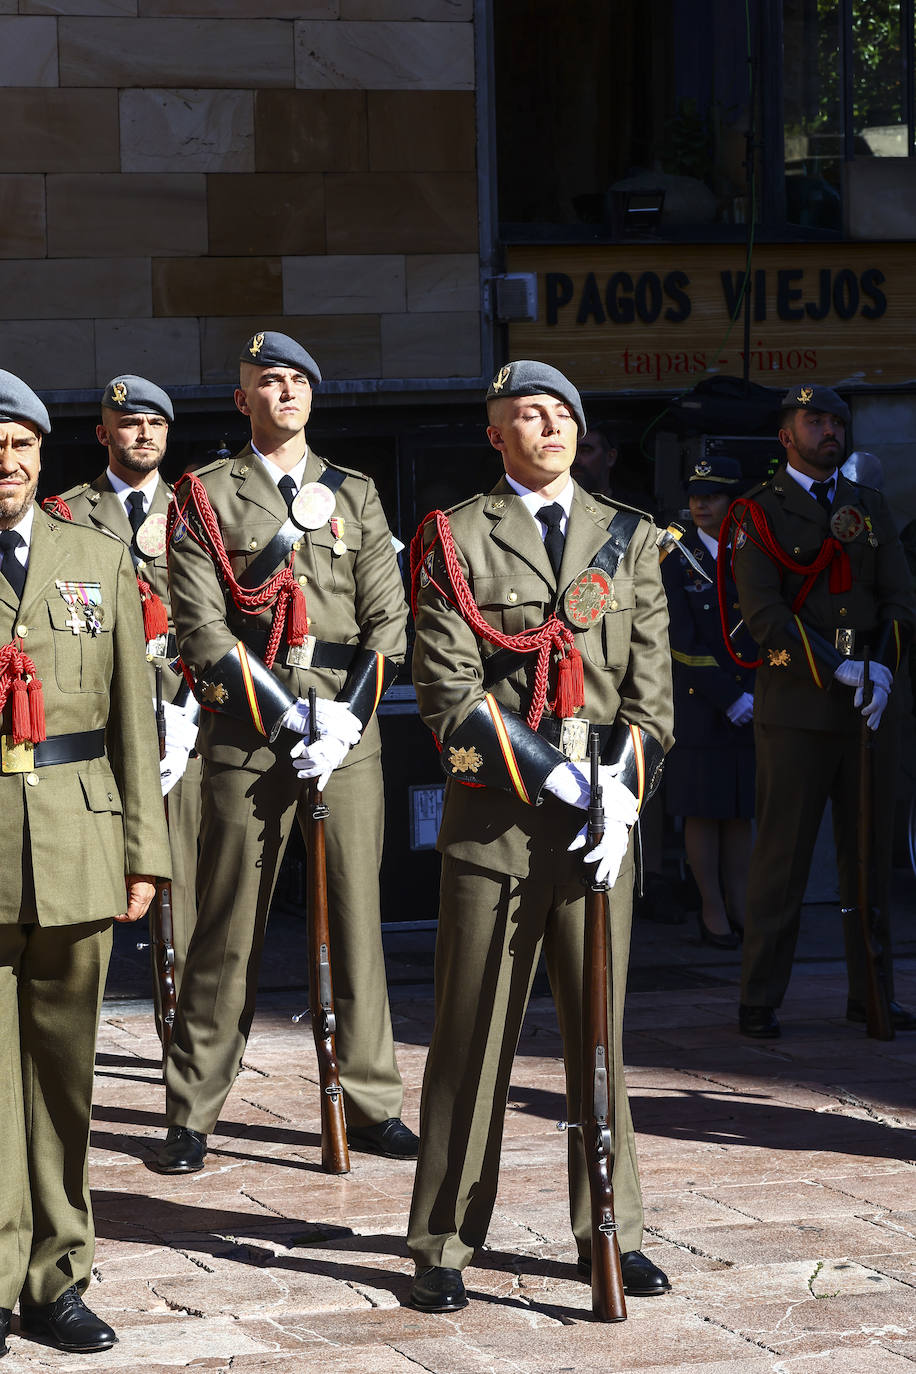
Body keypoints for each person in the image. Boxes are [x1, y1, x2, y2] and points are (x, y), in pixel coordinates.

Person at [406, 359, 674, 1313]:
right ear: (496, 433)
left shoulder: (628, 537)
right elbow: (447, 692)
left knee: (600, 1036)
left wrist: (622, 795)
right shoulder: (453, 536)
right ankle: (442, 1237)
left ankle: (614, 1226)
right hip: (500, 823)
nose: (551, 426)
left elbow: (652, 696)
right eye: (529, 413)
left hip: (603, 827)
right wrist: (563, 778)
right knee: (473, 1030)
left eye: (563, 412)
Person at [155, 330, 415, 1174]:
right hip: (248, 733)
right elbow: (199, 627)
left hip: (346, 732)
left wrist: (341, 721)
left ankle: (372, 1101)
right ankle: (193, 1107)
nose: (287, 393)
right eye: (269, 382)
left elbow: (389, 621)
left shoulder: (359, 496)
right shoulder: (202, 494)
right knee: (228, 924)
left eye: (299, 380)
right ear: (243, 401)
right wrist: (284, 719)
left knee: (356, 922)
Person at [0, 370, 170, 1356]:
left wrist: (145, 851)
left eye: (21, 443)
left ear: (41, 454)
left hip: (78, 840)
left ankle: (59, 1276)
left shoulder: (95, 559)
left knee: (66, 1079)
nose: (7, 461)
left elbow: (131, 724)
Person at [732, 383, 916, 1037]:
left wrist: (884, 671)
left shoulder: (868, 504)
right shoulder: (760, 511)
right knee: (782, 857)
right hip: (799, 706)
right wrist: (836, 666)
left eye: (837, 420)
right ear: (787, 435)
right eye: (815, 421)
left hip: (868, 708)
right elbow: (764, 614)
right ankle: (760, 998)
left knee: (867, 856)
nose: (830, 430)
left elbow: (900, 596)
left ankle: (873, 994)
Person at [52, 375, 201, 1043]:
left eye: (155, 424)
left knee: (190, 889)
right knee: (97, 884)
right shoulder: (66, 514)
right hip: (106, 729)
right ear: (102, 433)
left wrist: (194, 710)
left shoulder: (200, 511)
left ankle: (188, 1041)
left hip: (187, 717)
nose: (143, 434)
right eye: (129, 422)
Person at [661, 456, 756, 949]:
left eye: (712, 495)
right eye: (695, 494)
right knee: (702, 809)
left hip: (751, 698)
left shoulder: (750, 551)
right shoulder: (676, 556)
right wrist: (727, 695)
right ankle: (711, 907)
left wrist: (754, 692)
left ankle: (739, 901)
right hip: (700, 702)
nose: (700, 503)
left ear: (732, 500)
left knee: (740, 808)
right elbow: (677, 637)